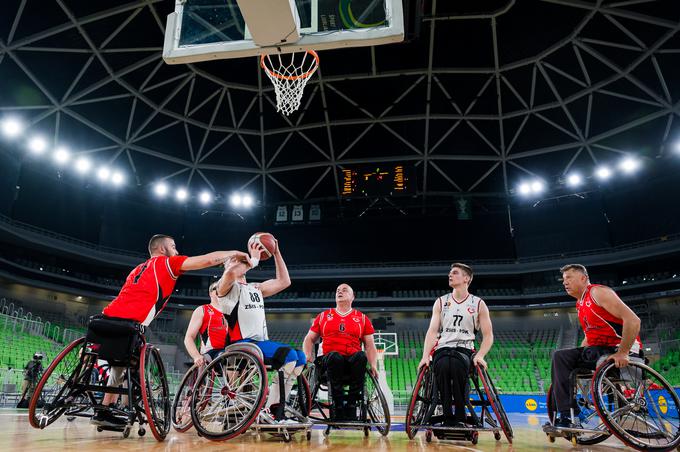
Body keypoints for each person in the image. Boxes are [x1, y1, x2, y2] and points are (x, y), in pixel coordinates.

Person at [92, 234, 249, 427]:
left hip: (104, 319)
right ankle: (126, 406)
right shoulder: (166, 263)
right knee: (130, 363)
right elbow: (208, 260)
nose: (176, 251)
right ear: (162, 250)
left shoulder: (137, 269)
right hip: (128, 325)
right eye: (173, 247)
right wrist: (233, 253)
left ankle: (104, 409)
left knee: (119, 365)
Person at [216, 238, 304, 424]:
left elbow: (284, 281)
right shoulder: (224, 288)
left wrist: (277, 252)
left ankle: (276, 406)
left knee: (300, 357)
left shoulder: (255, 288)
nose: (240, 260)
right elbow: (231, 274)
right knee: (288, 355)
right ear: (225, 267)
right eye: (234, 260)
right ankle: (272, 412)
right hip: (241, 344)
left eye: (241, 259)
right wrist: (253, 260)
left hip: (259, 344)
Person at [551, 264, 642, 428]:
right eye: (563, 279)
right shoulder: (580, 303)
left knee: (589, 353)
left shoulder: (598, 293)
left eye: (569, 278)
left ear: (583, 278)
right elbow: (589, 338)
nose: (565, 283)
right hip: (599, 351)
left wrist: (623, 352)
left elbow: (634, 320)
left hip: (621, 349)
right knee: (560, 356)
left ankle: (573, 413)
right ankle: (568, 415)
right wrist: (576, 356)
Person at [417, 263, 494, 428]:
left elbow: (488, 336)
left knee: (457, 365)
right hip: (443, 348)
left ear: (466, 278)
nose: (449, 275)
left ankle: (459, 414)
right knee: (444, 364)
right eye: (450, 273)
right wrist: (425, 356)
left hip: (465, 349)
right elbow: (432, 332)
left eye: (455, 273)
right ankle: (447, 414)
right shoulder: (441, 302)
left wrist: (480, 355)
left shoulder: (478, 303)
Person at [302, 283, 379, 421]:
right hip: (329, 361)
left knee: (361, 356)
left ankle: (351, 405)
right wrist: (308, 356)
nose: (340, 292)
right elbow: (309, 339)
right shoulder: (324, 316)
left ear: (352, 297)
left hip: (351, 363)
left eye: (344, 290)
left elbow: (370, 346)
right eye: (338, 290)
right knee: (335, 357)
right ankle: (337, 407)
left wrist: (373, 365)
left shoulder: (362, 318)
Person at [183, 281, 229, 367]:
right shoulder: (202, 310)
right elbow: (189, 337)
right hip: (211, 352)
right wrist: (196, 356)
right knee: (225, 357)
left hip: (230, 351)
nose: (221, 290)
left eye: (223, 288)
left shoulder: (231, 312)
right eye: (217, 288)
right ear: (210, 293)